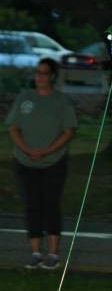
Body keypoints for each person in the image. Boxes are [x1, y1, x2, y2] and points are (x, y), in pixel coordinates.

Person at [6, 58, 78, 270]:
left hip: (53, 162)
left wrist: (47, 150)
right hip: (24, 162)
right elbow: (13, 127)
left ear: (52, 76)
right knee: (32, 204)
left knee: (50, 204)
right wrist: (27, 149)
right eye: (37, 72)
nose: (40, 76)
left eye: (44, 73)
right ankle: (35, 252)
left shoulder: (61, 101)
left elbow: (69, 130)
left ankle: (53, 254)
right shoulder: (24, 98)